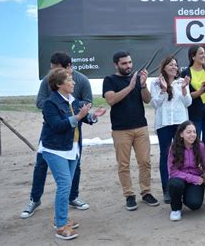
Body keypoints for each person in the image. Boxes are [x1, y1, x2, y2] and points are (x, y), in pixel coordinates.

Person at [21, 52, 92, 219]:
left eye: (55, 69)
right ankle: (35, 199)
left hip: (74, 130)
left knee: (75, 165)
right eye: (51, 68)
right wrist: (64, 107)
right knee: (41, 165)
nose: (51, 72)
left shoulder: (82, 80)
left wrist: (75, 106)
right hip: (53, 130)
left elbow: (87, 103)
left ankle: (72, 197)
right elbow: (41, 102)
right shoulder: (49, 80)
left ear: (68, 68)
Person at [38, 68, 105, 240]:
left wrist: (93, 116)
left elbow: (84, 118)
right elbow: (57, 126)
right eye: (69, 80)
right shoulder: (49, 103)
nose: (73, 82)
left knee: (66, 186)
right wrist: (78, 117)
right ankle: (61, 226)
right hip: (54, 149)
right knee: (65, 185)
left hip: (72, 148)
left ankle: (60, 218)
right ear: (59, 84)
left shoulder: (73, 100)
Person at [103, 51, 159, 211]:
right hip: (121, 130)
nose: (128, 66)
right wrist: (130, 87)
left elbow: (147, 99)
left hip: (141, 127)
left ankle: (146, 192)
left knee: (145, 162)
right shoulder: (109, 80)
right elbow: (111, 100)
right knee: (124, 165)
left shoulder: (136, 79)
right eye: (124, 63)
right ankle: (129, 195)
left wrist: (142, 85)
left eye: (129, 62)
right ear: (116, 65)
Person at [150, 55, 192, 203]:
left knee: (181, 154)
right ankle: (167, 189)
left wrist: (184, 89)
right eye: (170, 65)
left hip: (180, 124)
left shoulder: (181, 82)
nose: (174, 67)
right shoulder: (155, 83)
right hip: (164, 124)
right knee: (166, 155)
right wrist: (163, 89)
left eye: (175, 65)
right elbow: (154, 104)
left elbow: (188, 103)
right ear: (164, 67)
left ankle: (182, 185)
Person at [167, 121, 205, 221]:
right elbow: (173, 171)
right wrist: (193, 178)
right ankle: (176, 208)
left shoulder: (200, 146)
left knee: (194, 205)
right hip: (181, 179)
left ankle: (186, 195)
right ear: (181, 134)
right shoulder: (174, 148)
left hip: (195, 181)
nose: (192, 134)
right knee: (174, 184)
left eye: (194, 132)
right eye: (189, 132)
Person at [181, 45, 205, 142]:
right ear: (193, 56)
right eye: (201, 53)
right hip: (194, 112)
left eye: (204, 53)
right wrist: (200, 92)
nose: (204, 56)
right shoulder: (186, 73)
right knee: (195, 141)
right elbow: (186, 95)